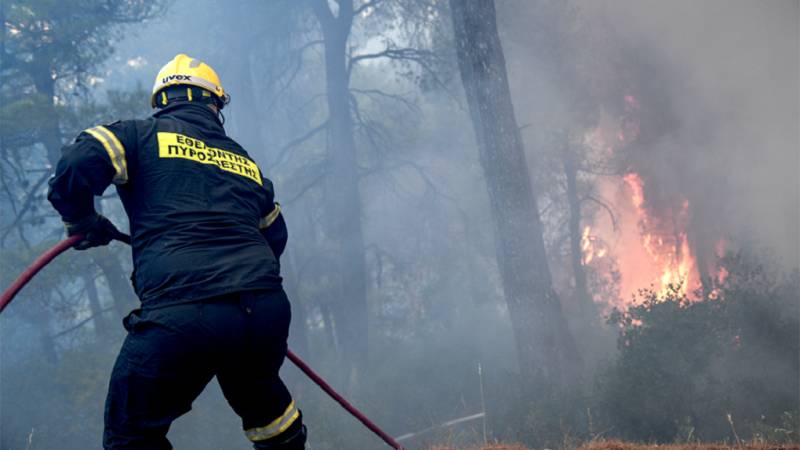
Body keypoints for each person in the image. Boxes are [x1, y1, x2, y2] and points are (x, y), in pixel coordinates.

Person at [47, 54, 306, 450]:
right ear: (215, 104)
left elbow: (78, 161)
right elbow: (275, 235)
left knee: (130, 432)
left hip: (184, 309)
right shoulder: (244, 163)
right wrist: (247, 286)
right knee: (265, 406)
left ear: (162, 103)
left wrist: (82, 220)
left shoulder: (137, 136)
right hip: (263, 309)